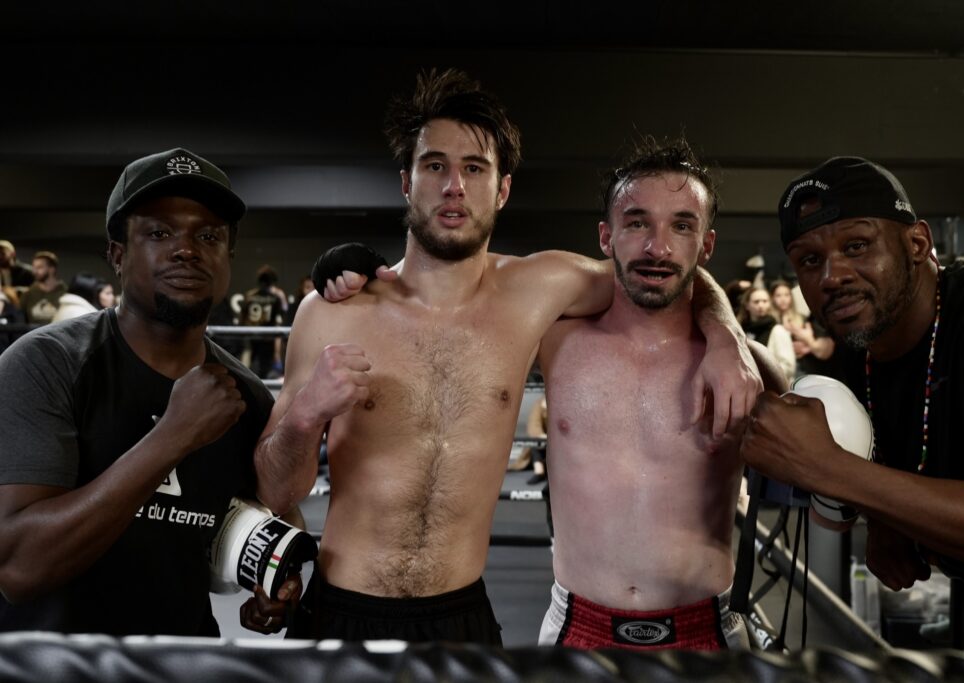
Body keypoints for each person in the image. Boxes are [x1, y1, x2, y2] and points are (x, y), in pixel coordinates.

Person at [255, 69, 761, 644]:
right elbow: (275, 490)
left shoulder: (538, 291)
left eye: (474, 168)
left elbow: (662, 268)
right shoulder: (331, 313)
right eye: (435, 166)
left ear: (502, 190)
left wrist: (726, 337)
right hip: (338, 611)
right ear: (406, 183)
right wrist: (304, 416)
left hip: (461, 618)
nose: (454, 186)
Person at [0, 148, 297, 636]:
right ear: (117, 255)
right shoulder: (47, 365)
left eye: (208, 236)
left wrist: (271, 580)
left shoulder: (244, 395)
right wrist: (173, 436)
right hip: (55, 662)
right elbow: (18, 568)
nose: (187, 249)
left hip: (182, 657)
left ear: (228, 257)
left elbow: (275, 512)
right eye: (159, 233)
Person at [741, 156, 964, 648]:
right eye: (809, 260)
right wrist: (885, 520)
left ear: (917, 243)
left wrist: (828, 469)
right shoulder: (859, 347)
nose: (832, 276)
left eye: (856, 246)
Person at [535, 140, 785, 651]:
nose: (658, 247)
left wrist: (726, 334)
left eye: (682, 226)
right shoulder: (552, 343)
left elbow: (825, 496)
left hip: (706, 629)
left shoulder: (749, 367)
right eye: (637, 223)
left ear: (706, 245)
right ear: (606, 236)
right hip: (578, 627)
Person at [738, 286, 796, 386]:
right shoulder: (742, 330)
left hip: (773, 388)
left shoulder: (777, 330)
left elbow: (788, 367)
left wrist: (760, 375)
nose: (761, 305)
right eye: (756, 302)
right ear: (747, 305)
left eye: (765, 301)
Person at [239, 265, 286, 379]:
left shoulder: (249, 296)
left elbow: (242, 318)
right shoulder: (275, 298)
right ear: (272, 282)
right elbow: (282, 315)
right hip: (267, 338)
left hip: (251, 337)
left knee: (251, 367)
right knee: (265, 370)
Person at [19, 251, 67, 325]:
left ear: (51, 269)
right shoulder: (28, 294)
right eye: (34, 267)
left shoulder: (65, 294)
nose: (35, 271)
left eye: (39, 267)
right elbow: (20, 320)